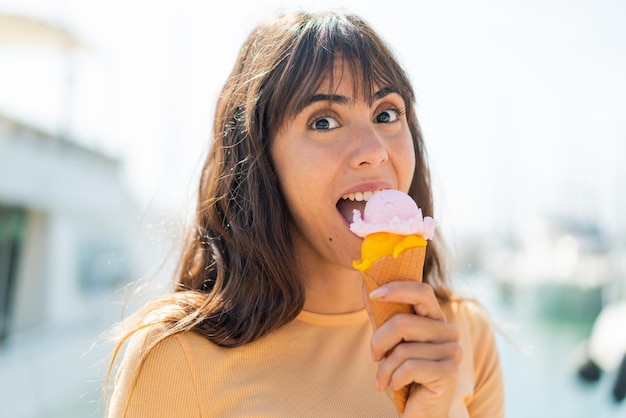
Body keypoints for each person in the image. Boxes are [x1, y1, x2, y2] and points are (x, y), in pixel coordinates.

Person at [106, 10, 504, 417]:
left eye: (387, 114)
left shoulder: (463, 333)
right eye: (325, 121)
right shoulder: (177, 359)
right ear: (261, 159)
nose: (373, 151)